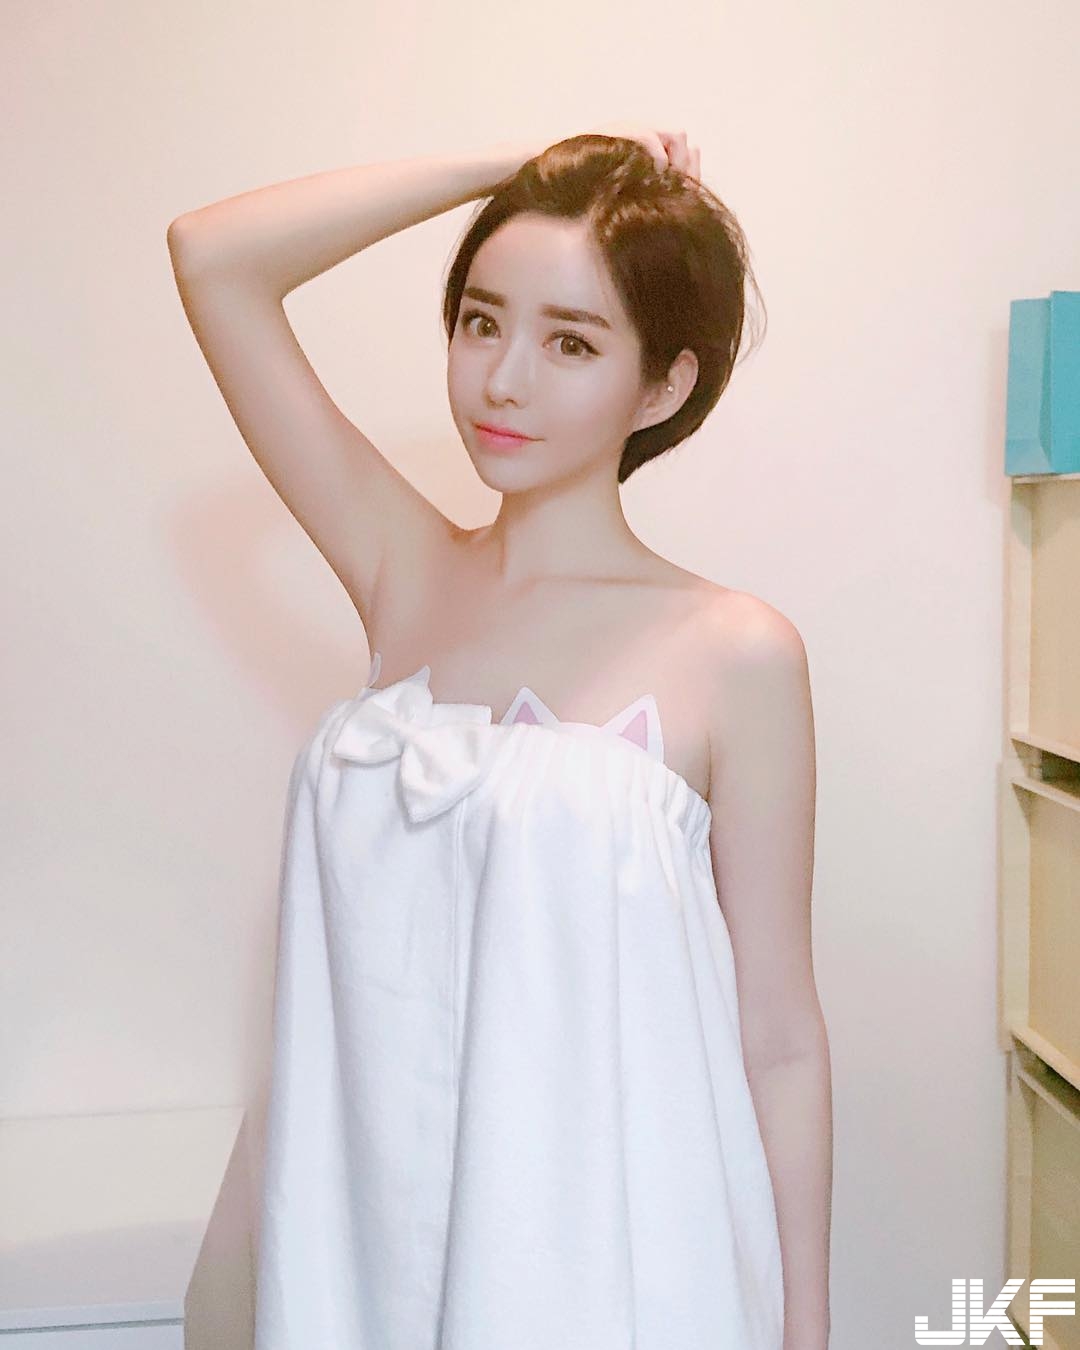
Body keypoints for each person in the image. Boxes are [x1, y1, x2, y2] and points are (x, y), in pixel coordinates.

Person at [167, 126, 832, 1350]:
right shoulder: (405, 572)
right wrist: (507, 164)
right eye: (481, 322)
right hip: (358, 1239)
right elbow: (215, 259)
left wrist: (805, 1329)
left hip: (611, 1269)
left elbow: (780, 1038)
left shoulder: (735, 651)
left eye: (570, 342)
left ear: (663, 386)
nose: (504, 380)